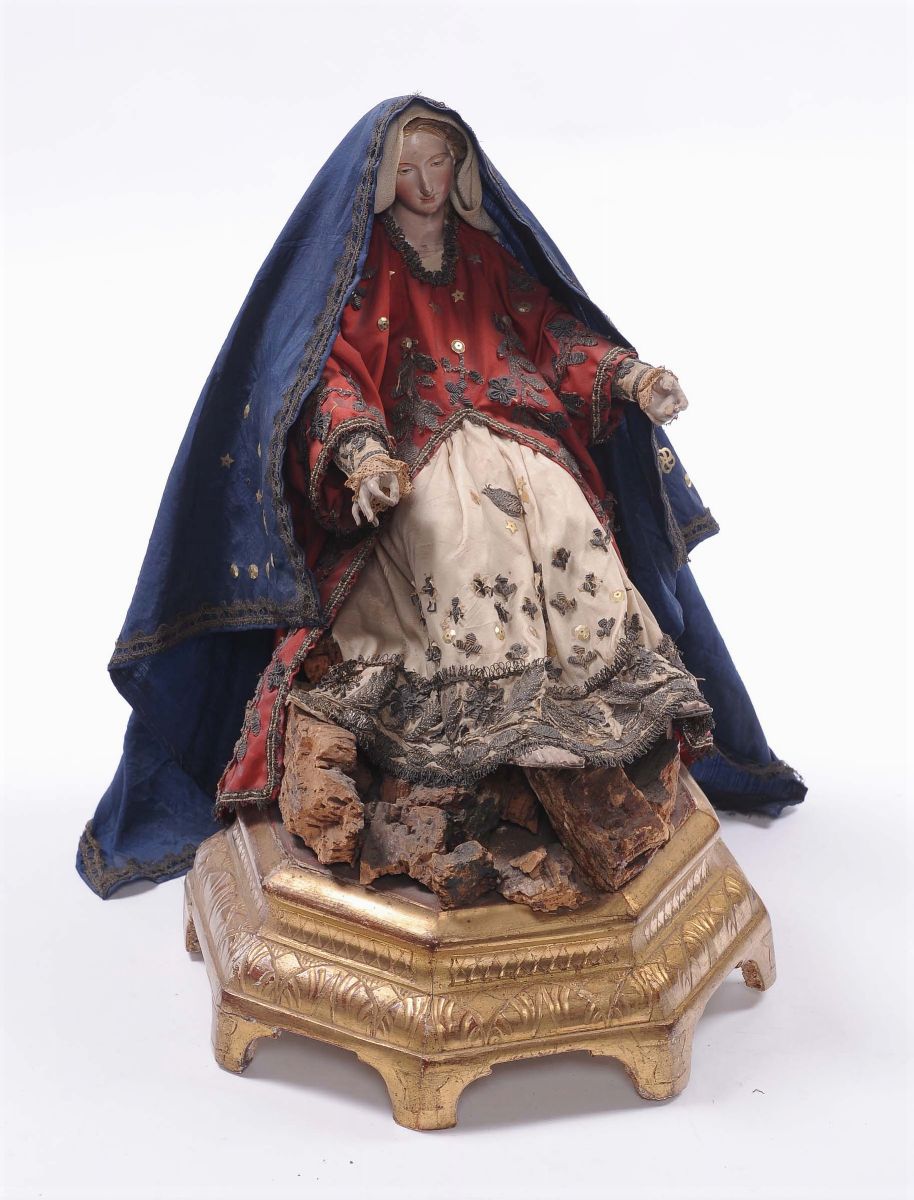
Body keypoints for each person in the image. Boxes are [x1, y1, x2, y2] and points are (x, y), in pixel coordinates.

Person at [76, 96, 805, 899]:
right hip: (413, 445)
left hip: (513, 427)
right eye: (409, 168)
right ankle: (469, 738)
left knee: (564, 511)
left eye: (440, 163)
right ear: (384, 177)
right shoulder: (359, 267)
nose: (427, 183)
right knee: (455, 533)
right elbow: (330, 372)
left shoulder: (485, 254)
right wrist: (361, 454)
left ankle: (587, 719)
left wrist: (628, 375)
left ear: (460, 167)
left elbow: (551, 333)